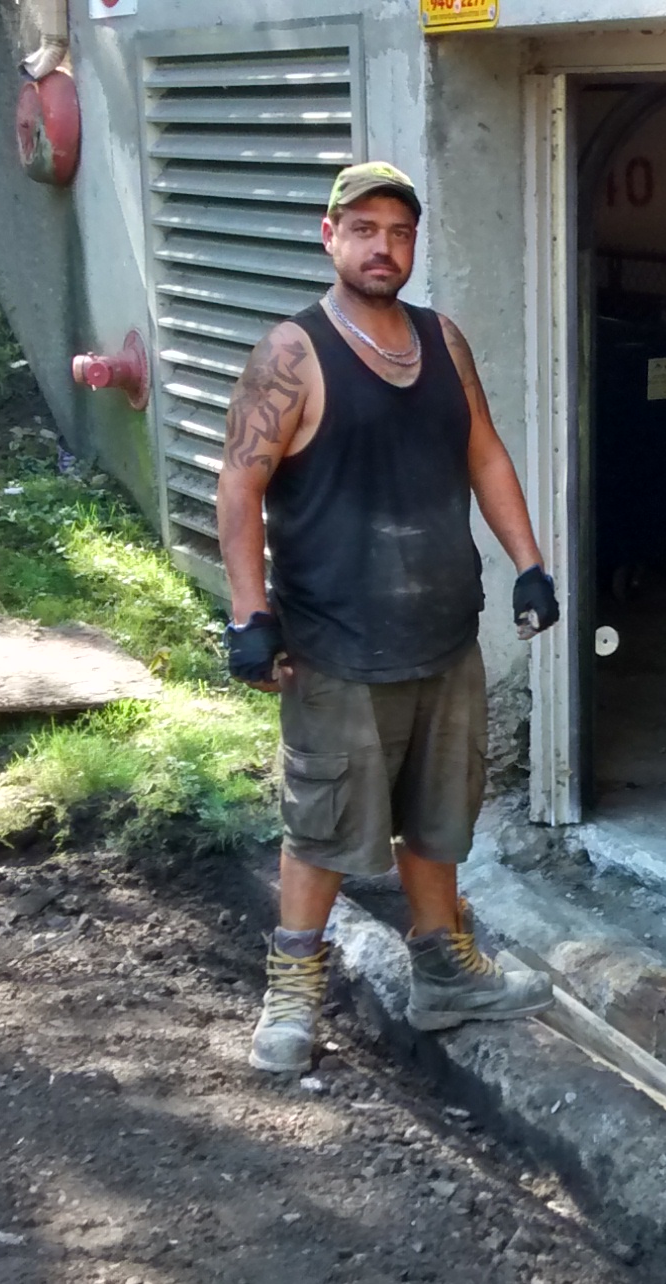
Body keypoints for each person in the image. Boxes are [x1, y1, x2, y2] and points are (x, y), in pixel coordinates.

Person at [214, 161, 562, 1074]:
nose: (383, 247)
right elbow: (240, 485)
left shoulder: (443, 342)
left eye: (399, 232)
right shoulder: (292, 354)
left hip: (444, 633)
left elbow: (484, 453)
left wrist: (529, 565)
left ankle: (442, 969)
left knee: (441, 815)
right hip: (336, 642)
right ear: (330, 237)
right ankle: (294, 992)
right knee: (323, 823)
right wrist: (251, 615)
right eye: (363, 229)